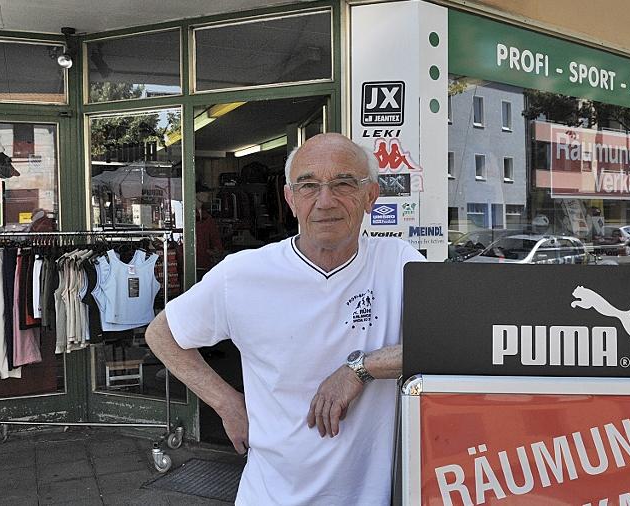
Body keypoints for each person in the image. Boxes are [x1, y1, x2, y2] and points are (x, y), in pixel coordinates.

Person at [145, 133, 425, 505]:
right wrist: (227, 403)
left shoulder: (398, 263)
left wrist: (361, 368)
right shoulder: (244, 274)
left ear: (370, 195)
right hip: (271, 495)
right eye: (308, 185)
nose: (325, 201)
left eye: (343, 183)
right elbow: (162, 334)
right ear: (290, 199)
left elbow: (454, 341)